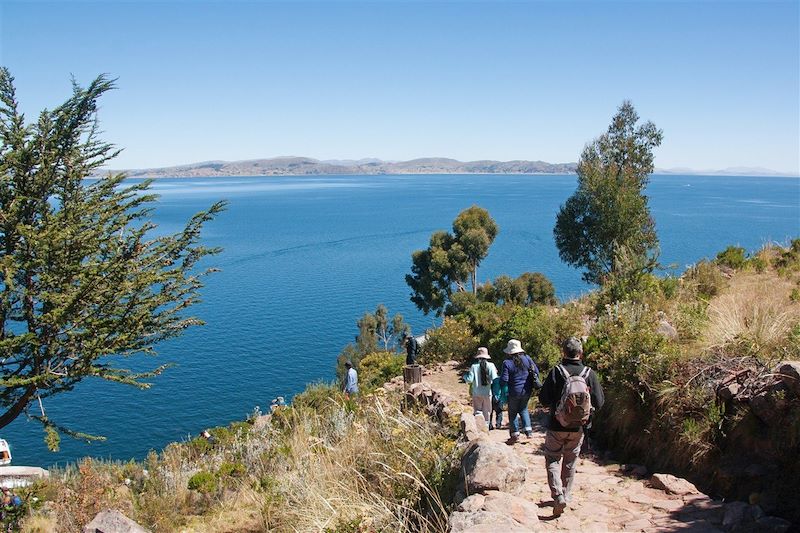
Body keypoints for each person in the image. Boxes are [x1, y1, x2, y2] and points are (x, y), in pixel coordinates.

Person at [538, 337, 604, 517]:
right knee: (570, 461)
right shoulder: (589, 373)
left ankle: (557, 494)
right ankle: (566, 494)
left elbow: (543, 398)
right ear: (580, 353)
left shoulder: (556, 371)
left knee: (552, 458)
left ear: (563, 352)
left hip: (556, 425)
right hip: (578, 428)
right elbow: (600, 401)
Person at [500, 339, 541, 442]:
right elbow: (536, 371)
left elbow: (504, 379)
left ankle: (515, 434)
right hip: (526, 390)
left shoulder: (507, 363)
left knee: (513, 412)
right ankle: (528, 432)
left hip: (513, 391)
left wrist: (501, 388)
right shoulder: (527, 359)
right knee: (523, 409)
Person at [463, 347, 498, 426]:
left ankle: (479, 428)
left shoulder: (474, 366)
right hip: (487, 393)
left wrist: (464, 376)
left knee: (478, 412)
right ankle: (486, 428)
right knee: (487, 413)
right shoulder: (491, 365)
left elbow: (470, 380)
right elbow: (495, 378)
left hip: (476, 393)